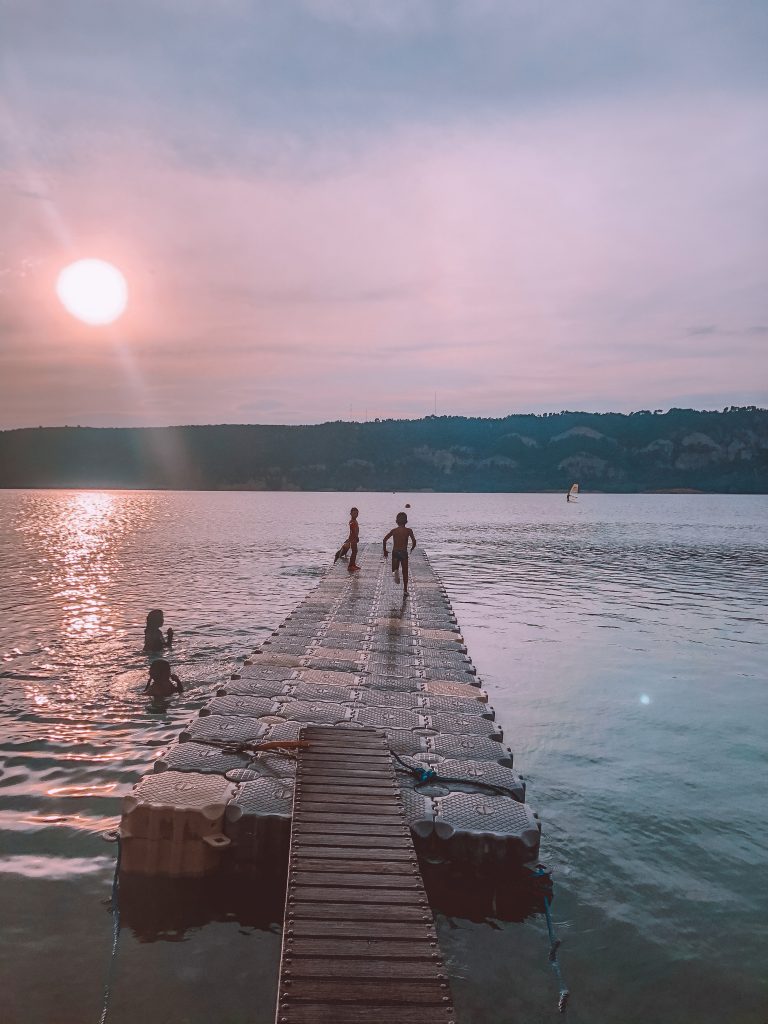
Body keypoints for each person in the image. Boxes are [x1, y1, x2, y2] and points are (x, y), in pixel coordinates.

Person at [383, 512, 416, 596]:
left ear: (396, 521)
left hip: (395, 552)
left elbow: (384, 540)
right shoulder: (409, 530)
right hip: (404, 553)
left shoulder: (394, 530)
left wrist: (385, 550)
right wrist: (412, 548)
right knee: (405, 572)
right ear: (406, 521)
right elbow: (414, 541)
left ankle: (396, 572)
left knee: (394, 569)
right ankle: (405, 590)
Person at [344, 507, 360, 572]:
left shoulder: (354, 521)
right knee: (354, 551)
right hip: (353, 538)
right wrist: (356, 537)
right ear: (350, 514)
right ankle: (350, 566)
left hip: (354, 537)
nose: (355, 515)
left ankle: (353, 564)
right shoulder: (352, 522)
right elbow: (353, 531)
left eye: (357, 513)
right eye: (354, 513)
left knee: (355, 551)